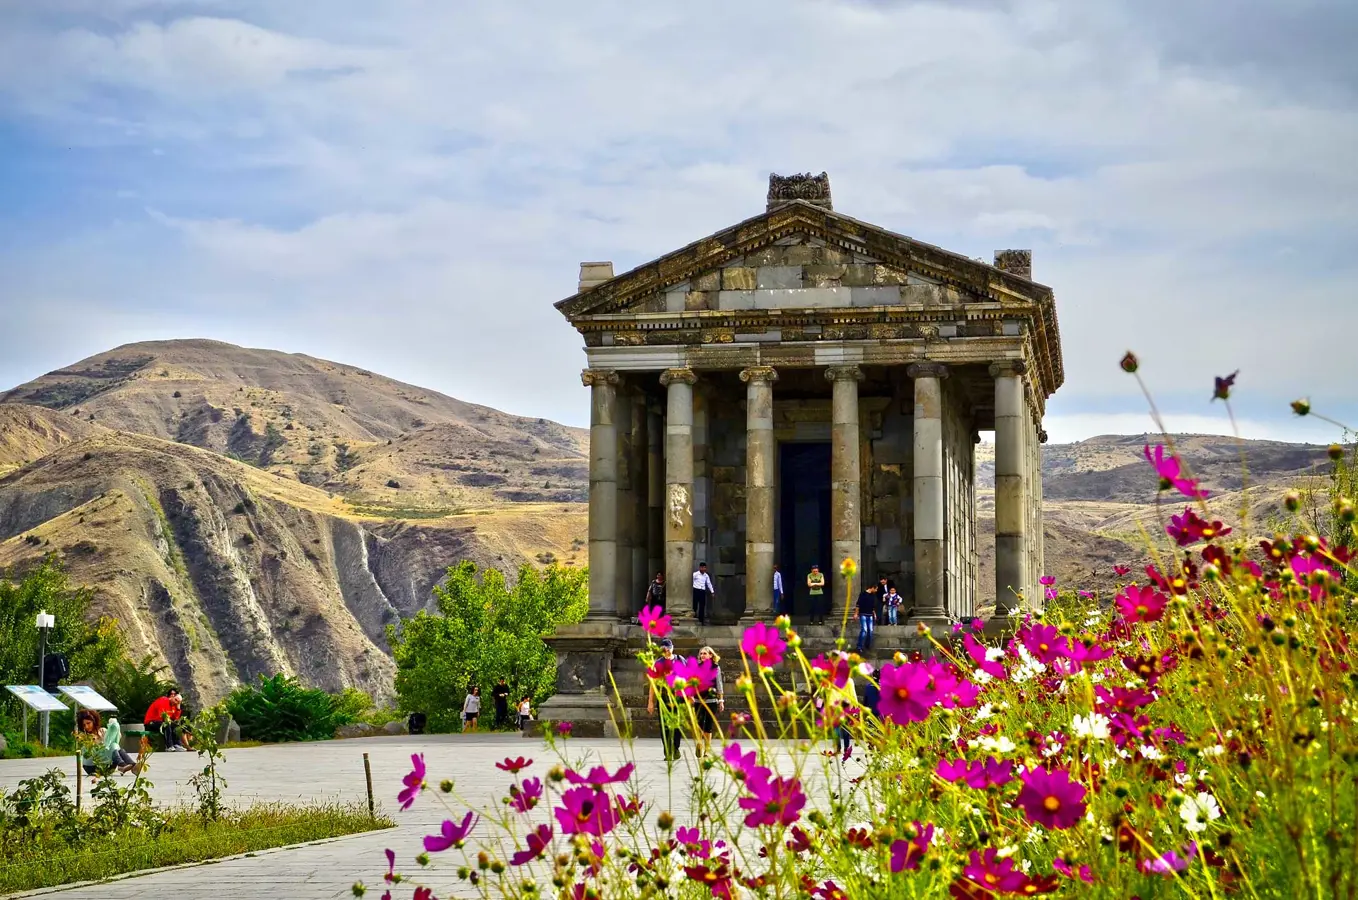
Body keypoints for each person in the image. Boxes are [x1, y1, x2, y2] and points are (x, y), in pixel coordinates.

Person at [647, 638, 685, 762]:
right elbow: (653, 684)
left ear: (672, 647)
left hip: (678, 698)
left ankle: (676, 748)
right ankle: (668, 751)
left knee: (677, 725)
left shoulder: (680, 660)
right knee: (665, 726)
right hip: (663, 697)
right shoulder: (658, 663)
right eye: (664, 648)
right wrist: (650, 702)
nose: (667, 650)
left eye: (668, 647)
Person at [77, 710, 140, 776]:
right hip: (93, 767)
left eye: (88, 723)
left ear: (94, 721)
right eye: (84, 725)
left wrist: (115, 730)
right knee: (112, 746)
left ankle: (131, 765)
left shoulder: (103, 731)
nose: (86, 727)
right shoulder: (83, 736)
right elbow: (92, 753)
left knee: (115, 745)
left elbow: (114, 741)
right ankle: (123, 765)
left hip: (107, 766)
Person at [693, 646, 725, 758]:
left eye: (705, 653)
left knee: (708, 725)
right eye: (701, 653)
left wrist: (721, 700)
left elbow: (719, 683)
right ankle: (699, 744)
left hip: (711, 700)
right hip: (698, 699)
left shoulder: (716, 667)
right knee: (699, 724)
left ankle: (707, 749)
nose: (702, 655)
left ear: (711, 655)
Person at [856, 583, 879, 652]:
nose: (876, 590)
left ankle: (867, 645)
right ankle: (859, 646)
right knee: (864, 630)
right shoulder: (863, 594)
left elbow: (872, 606)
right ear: (872, 588)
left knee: (870, 631)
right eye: (876, 589)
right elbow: (858, 604)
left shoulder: (873, 596)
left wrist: (874, 614)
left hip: (870, 614)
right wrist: (856, 614)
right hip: (863, 614)